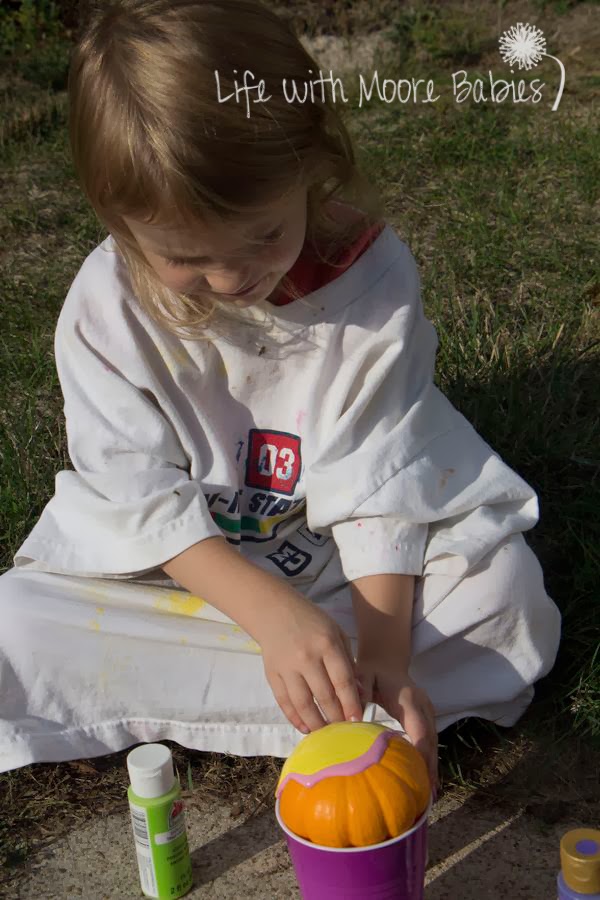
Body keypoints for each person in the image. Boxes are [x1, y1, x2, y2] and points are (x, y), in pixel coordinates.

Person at [0, 0, 560, 787]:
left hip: (353, 575)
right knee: (16, 626)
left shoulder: (371, 280)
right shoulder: (108, 307)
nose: (234, 277)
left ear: (312, 164)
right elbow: (132, 492)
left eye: (264, 235)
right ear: (121, 224)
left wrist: (384, 654)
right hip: (191, 579)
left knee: (505, 603)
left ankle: (335, 688)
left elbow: (382, 475)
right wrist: (268, 614)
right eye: (187, 258)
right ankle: (326, 697)